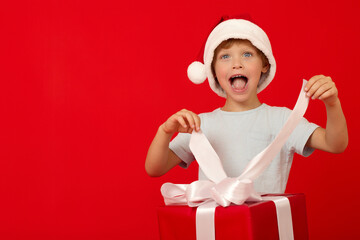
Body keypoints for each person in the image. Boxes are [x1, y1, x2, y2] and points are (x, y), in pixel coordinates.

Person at [145, 17, 348, 193]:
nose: (237, 64)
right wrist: (165, 131)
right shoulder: (200, 125)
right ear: (212, 71)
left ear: (264, 64)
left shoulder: (282, 120)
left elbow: (335, 144)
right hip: (215, 230)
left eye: (247, 54)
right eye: (225, 56)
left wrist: (332, 103)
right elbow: (155, 168)